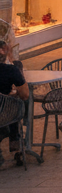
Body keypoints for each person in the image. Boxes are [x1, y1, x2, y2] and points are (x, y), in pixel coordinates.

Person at [0, 39, 28, 168]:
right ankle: (16, 146)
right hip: (5, 114)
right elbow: (25, 95)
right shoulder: (11, 70)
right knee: (14, 106)